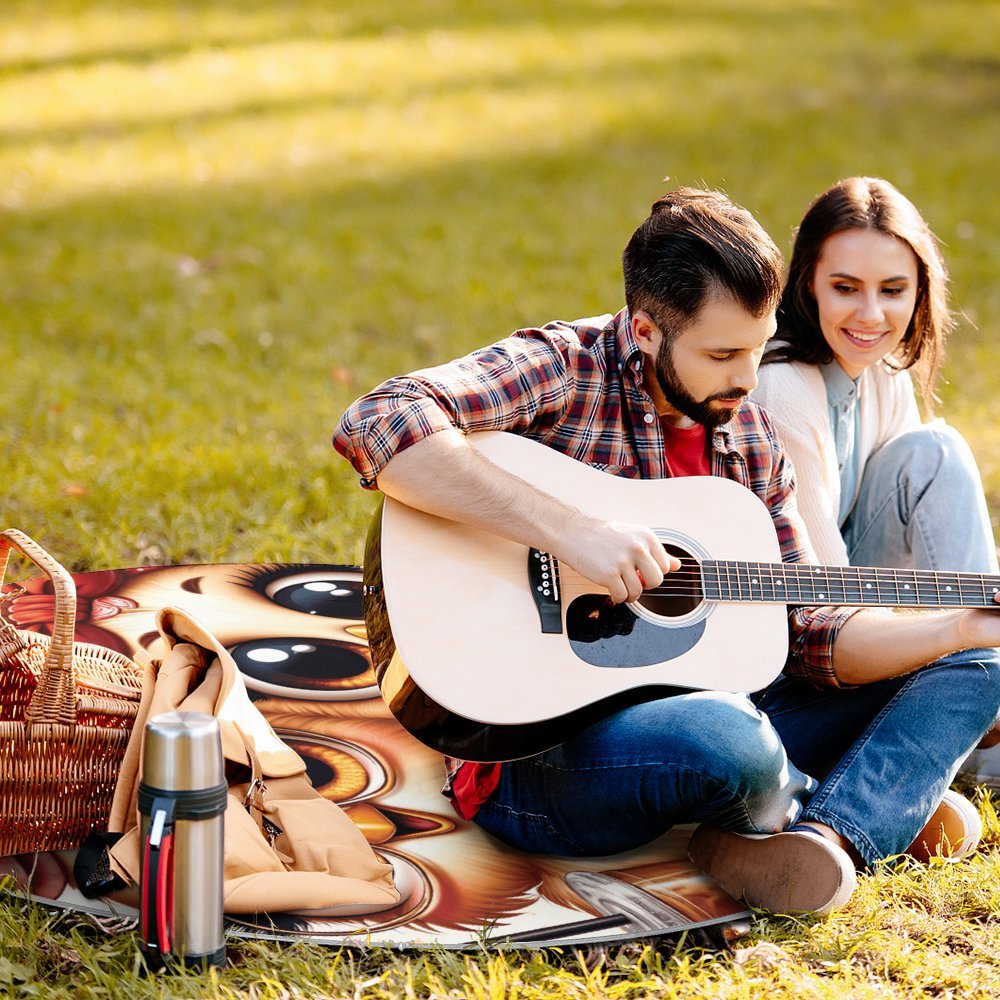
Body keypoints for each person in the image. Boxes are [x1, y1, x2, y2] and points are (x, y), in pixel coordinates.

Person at [333, 188, 1000, 916]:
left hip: (725, 709)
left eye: (757, 346)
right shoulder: (564, 367)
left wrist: (956, 628)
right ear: (646, 331)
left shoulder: (747, 435)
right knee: (729, 741)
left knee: (980, 664)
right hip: (537, 756)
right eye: (721, 354)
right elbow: (380, 419)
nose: (748, 380)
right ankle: (858, 796)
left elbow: (810, 629)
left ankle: (830, 836)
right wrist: (568, 530)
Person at [753, 176, 1000, 792]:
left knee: (931, 452)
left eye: (893, 290)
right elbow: (824, 601)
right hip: (796, 647)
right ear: (807, 281)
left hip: (861, 608)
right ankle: (977, 707)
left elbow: (921, 531)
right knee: (937, 451)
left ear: (920, 291)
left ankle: (976, 698)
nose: (871, 315)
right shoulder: (783, 385)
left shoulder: (881, 370)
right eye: (845, 288)